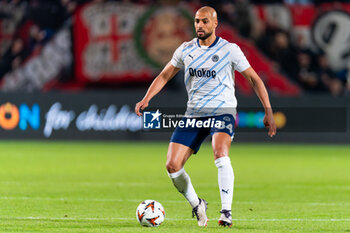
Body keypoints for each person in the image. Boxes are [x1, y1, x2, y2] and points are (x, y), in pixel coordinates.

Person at [135, 6, 276, 227]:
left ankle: (226, 212)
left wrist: (267, 110)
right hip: (194, 114)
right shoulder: (186, 49)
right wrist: (147, 98)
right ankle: (197, 204)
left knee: (220, 153)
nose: (200, 25)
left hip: (223, 111)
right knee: (172, 166)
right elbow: (164, 75)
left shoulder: (230, 50)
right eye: (197, 21)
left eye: (205, 21)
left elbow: (254, 79)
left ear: (215, 23)